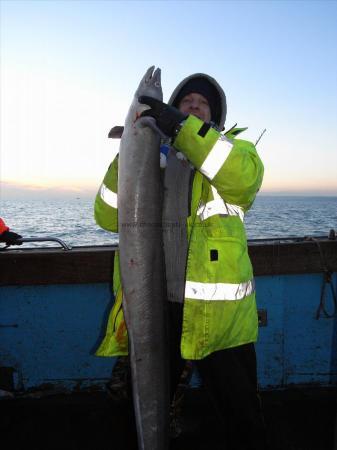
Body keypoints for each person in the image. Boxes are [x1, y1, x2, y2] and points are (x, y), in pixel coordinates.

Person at [94, 73, 267, 450]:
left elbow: (244, 179)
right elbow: (108, 217)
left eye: (201, 103)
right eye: (185, 100)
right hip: (159, 308)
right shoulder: (154, 159)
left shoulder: (235, 150)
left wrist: (182, 128)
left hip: (221, 318)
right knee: (140, 407)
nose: (192, 105)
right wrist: (129, 151)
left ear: (215, 116)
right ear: (171, 108)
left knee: (241, 416)